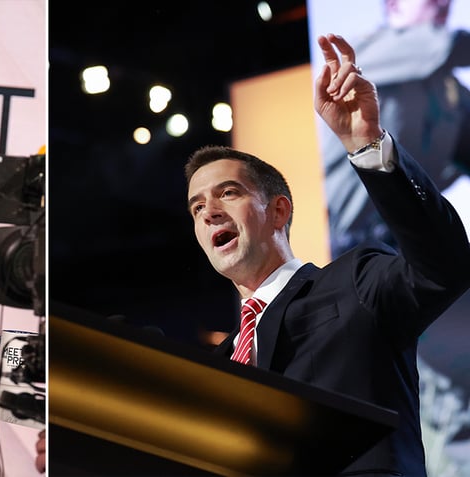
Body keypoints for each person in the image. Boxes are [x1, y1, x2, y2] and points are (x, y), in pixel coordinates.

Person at [184, 33, 470, 475]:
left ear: (279, 210)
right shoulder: (218, 364)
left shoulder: (355, 284)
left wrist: (367, 144)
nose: (209, 213)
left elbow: (444, 265)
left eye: (227, 193)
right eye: (197, 207)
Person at [319, 0, 470, 257]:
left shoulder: (451, 92)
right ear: (394, 5)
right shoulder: (368, 51)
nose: (444, 2)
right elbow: (457, 45)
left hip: (412, 243)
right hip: (356, 247)